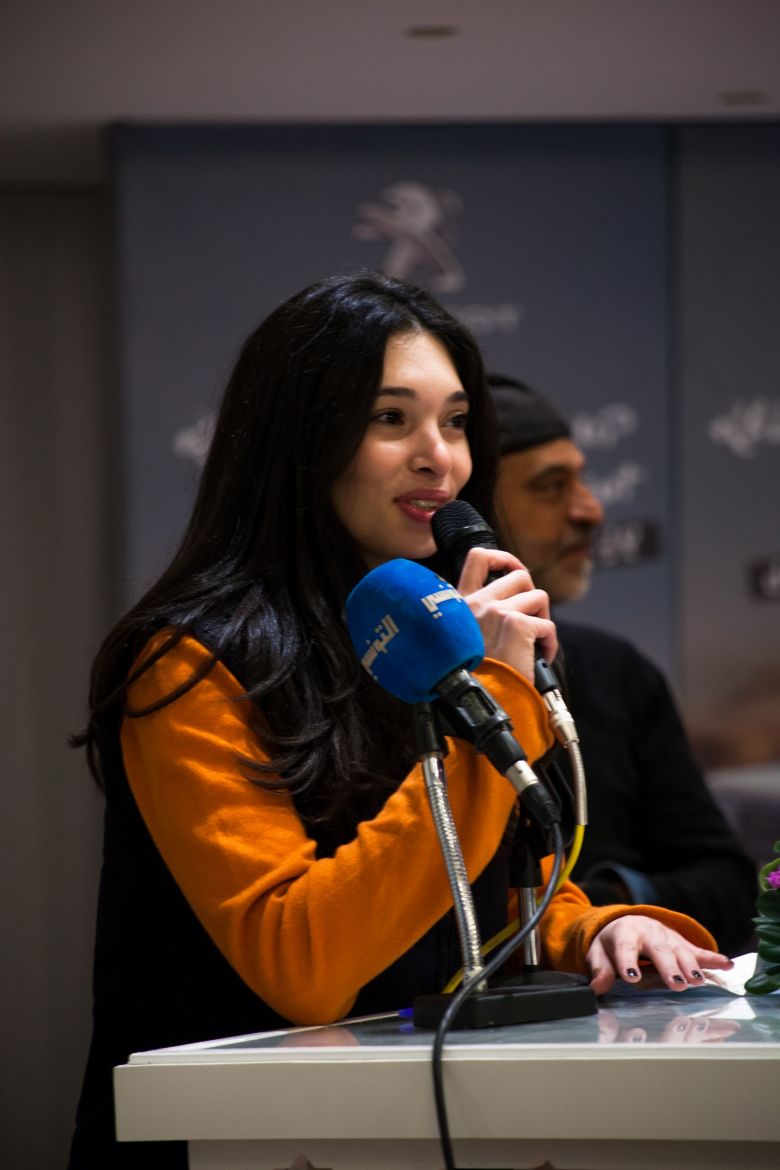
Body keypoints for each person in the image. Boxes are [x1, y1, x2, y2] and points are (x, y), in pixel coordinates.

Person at [68, 275, 732, 1168]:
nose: (441, 459)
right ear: (301, 441)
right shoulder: (191, 661)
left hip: (412, 1125)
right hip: (234, 1137)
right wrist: (490, 697)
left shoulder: (435, 632)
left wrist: (593, 932)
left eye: (456, 423)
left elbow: (489, 891)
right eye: (392, 420)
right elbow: (303, 964)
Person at [489, 374, 757, 955]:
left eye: (582, 479)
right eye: (551, 486)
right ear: (470, 516)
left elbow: (732, 891)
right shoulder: (398, 683)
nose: (590, 509)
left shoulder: (618, 673)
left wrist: (612, 903)